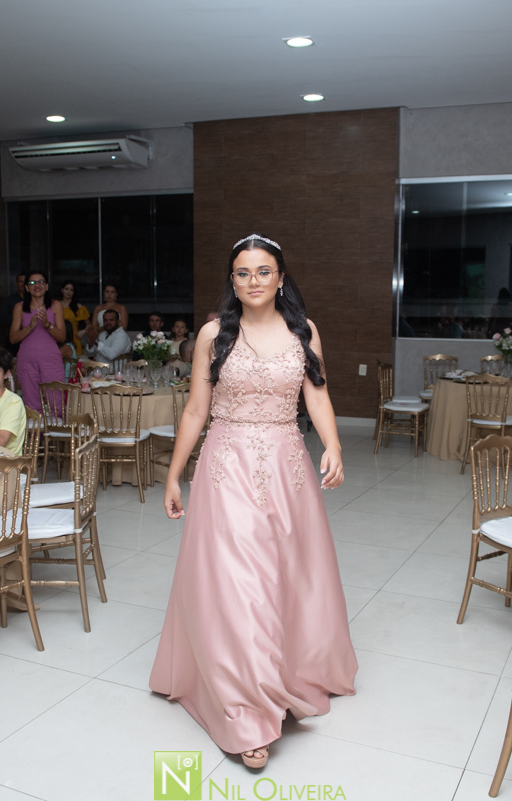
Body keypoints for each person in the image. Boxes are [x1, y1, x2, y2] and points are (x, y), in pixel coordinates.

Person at [150, 234, 357, 770]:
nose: (254, 281)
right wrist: (175, 475)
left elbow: (317, 393)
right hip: (227, 467)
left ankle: (285, 676)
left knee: (284, 579)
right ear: (233, 282)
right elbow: (196, 409)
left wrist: (332, 444)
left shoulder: (303, 331)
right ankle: (245, 714)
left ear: (281, 278)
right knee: (238, 585)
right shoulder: (214, 335)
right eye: (243, 273)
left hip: (287, 466)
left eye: (264, 272)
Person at [9, 270, 66, 413]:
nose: (37, 285)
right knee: (31, 403)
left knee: (56, 401)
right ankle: (35, 435)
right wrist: (29, 328)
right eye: (32, 283)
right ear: (27, 288)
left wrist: (47, 324)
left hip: (51, 359)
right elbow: (12, 338)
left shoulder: (55, 305)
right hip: (27, 360)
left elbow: (62, 337)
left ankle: (55, 434)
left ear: (47, 286)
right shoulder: (20, 307)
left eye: (41, 282)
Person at [59, 280, 89, 355]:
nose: (68, 292)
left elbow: (89, 325)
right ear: (62, 290)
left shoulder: (78, 307)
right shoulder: (56, 305)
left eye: (71, 290)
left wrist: (83, 332)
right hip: (59, 338)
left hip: (74, 339)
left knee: (77, 365)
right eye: (66, 289)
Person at [0, 273, 26, 357]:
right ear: (16, 283)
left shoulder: (34, 300)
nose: (23, 284)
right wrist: (20, 319)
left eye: (25, 282)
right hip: (13, 339)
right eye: (20, 281)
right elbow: (3, 319)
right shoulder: (9, 300)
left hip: (30, 337)